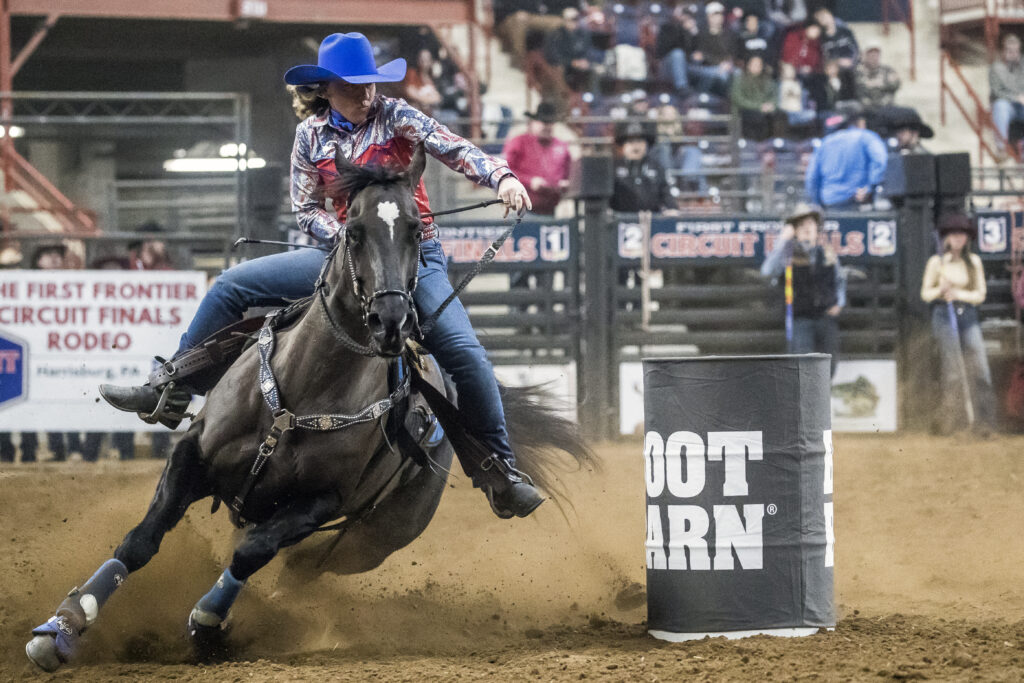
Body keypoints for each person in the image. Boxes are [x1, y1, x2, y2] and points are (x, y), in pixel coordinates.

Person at [99, 32, 542, 518]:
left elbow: (452, 147)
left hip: (413, 256)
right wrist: (347, 237)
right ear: (325, 89)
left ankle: (499, 468)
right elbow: (305, 208)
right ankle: (173, 383)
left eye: (369, 83)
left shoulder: (397, 116)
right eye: (353, 85)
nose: (366, 92)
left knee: (464, 353)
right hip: (343, 256)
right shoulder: (311, 135)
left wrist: (500, 176)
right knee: (231, 286)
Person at [920, 212, 996, 435]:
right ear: (947, 238)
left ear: (967, 238)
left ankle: (986, 423)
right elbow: (926, 294)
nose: (958, 238)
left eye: (961, 234)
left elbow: (980, 294)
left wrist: (958, 293)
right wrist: (941, 291)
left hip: (968, 316)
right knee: (952, 370)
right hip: (944, 315)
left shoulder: (974, 262)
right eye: (954, 234)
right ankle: (954, 423)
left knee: (980, 367)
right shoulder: (936, 263)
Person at [761, 203, 846, 377]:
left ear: (817, 227)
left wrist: (840, 302)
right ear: (795, 230)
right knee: (802, 365)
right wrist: (782, 241)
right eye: (801, 225)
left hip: (826, 316)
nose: (807, 228)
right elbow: (768, 271)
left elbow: (839, 280)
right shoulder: (788, 254)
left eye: (810, 224)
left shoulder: (828, 253)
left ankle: (822, 400)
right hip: (800, 319)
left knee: (829, 366)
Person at [805, 110, 887, 210]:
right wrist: (870, 187)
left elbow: (811, 177)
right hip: (858, 203)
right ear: (860, 122)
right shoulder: (866, 137)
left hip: (829, 204)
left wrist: (817, 202)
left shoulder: (825, 142)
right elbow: (880, 161)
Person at [502, 101, 572, 216]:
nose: (546, 125)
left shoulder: (560, 146)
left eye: (550, 122)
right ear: (533, 123)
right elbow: (503, 171)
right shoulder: (519, 142)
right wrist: (529, 181)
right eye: (543, 122)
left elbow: (568, 173)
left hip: (549, 208)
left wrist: (564, 184)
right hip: (521, 208)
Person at [609, 121, 677, 213]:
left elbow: (666, 193)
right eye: (630, 142)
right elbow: (605, 198)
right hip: (620, 220)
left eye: (639, 141)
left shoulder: (657, 167)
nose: (636, 146)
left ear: (646, 144)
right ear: (623, 146)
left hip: (651, 220)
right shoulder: (612, 168)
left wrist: (672, 208)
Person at [730, 55, 784, 141]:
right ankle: (756, 145)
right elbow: (738, 99)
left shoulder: (767, 80)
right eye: (754, 64)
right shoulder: (739, 79)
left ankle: (777, 144)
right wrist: (759, 106)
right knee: (757, 117)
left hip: (764, 110)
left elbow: (774, 96)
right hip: (745, 110)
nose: (756, 67)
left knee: (781, 115)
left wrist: (771, 105)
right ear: (748, 65)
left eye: (759, 65)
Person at [989, 33, 1024, 159]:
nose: (1013, 53)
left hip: (1021, 105)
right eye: (1009, 50)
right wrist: (1016, 98)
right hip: (1007, 105)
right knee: (1000, 106)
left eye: (1015, 51)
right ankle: (1001, 147)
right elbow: (997, 92)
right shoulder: (996, 68)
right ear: (1003, 51)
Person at [855, 42, 901, 110]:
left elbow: (896, 84)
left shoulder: (887, 70)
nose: (874, 57)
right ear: (864, 55)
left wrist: (882, 85)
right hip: (865, 109)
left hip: (886, 107)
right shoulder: (857, 72)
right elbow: (856, 88)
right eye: (871, 54)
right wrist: (871, 84)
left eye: (876, 54)